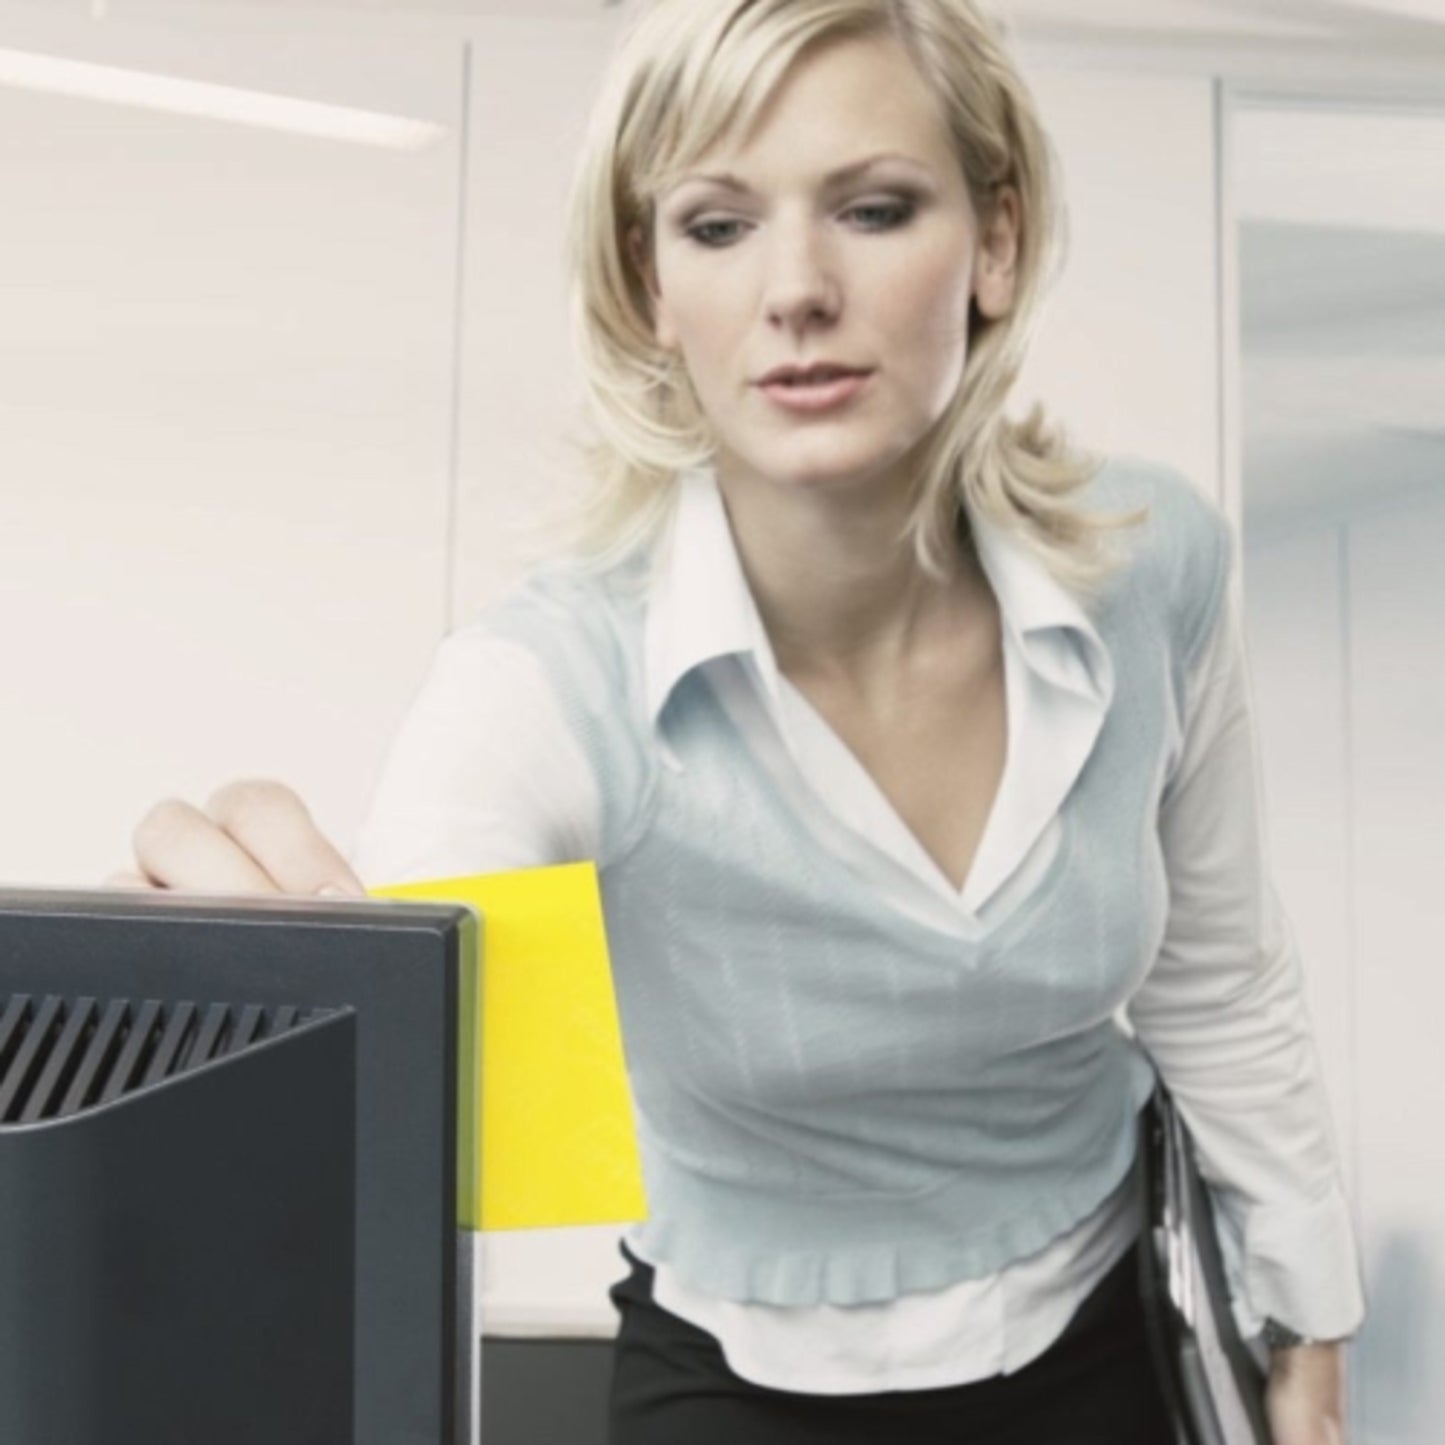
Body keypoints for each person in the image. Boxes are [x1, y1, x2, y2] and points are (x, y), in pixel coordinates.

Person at [123, 1, 1366, 1441]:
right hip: (744, 1385)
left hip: (1110, 1334)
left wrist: (1310, 1322)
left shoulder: (1153, 568)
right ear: (650, 281)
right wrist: (168, 1003)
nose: (795, 290)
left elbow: (1218, 979)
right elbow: (389, 1120)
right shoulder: (551, 685)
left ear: (996, 242)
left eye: (876, 208)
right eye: (715, 226)